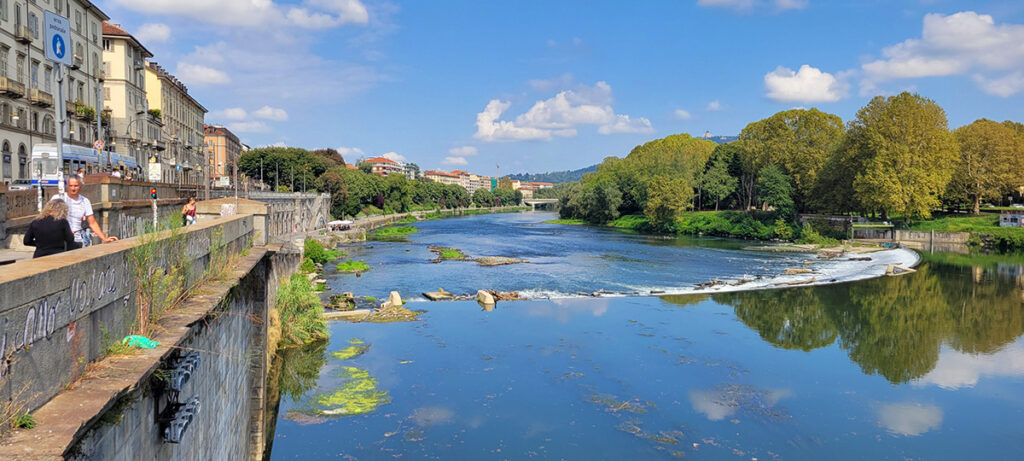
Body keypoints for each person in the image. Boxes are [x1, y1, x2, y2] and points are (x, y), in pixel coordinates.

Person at [53, 174, 118, 246]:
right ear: (67, 186)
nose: (73, 188)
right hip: (60, 239)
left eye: (76, 186)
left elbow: (92, 223)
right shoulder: (58, 198)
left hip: (76, 240)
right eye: (70, 186)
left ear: (81, 186)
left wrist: (104, 238)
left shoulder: (85, 201)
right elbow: (49, 218)